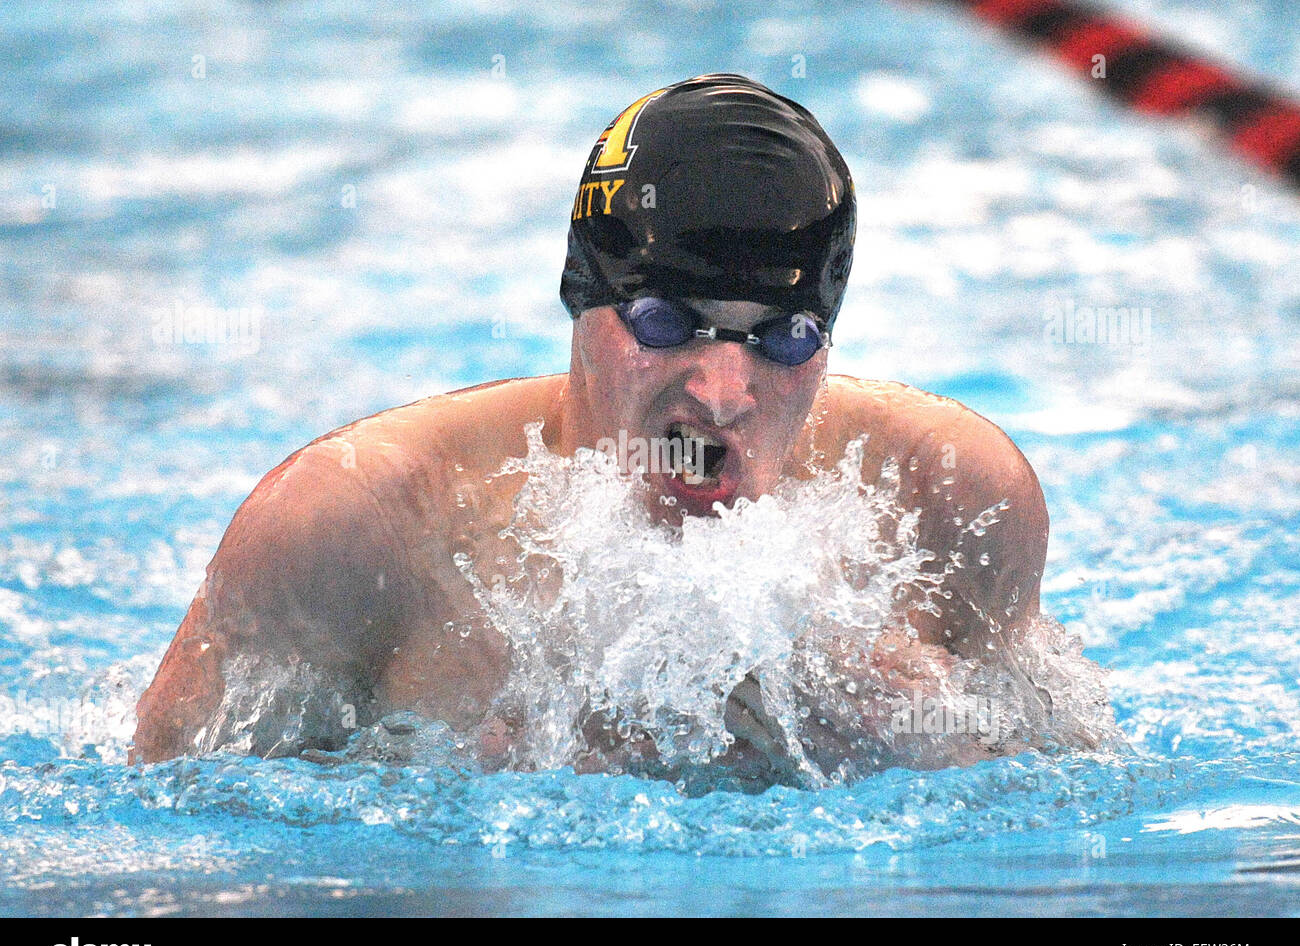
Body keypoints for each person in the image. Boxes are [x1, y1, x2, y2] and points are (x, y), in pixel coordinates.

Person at [131, 74, 1048, 772]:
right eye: (666, 323)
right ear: (583, 302)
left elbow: (1076, 808)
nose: (725, 391)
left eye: (784, 335)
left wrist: (949, 739)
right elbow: (166, 843)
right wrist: (419, 784)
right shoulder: (353, 525)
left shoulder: (946, 497)